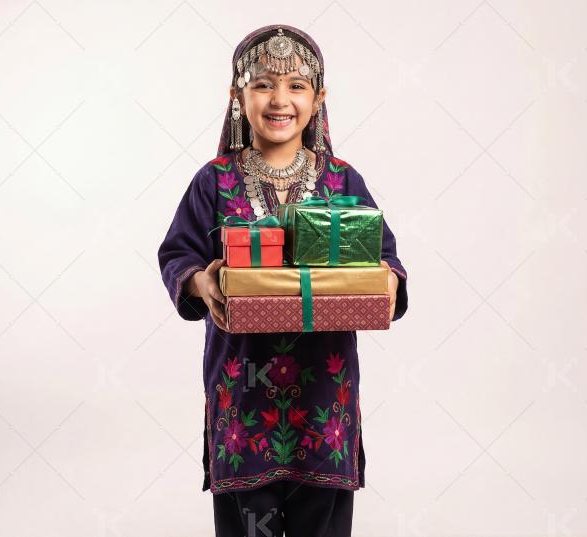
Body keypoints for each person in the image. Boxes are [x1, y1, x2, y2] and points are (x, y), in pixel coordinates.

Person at [158, 24, 408, 537]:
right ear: (237, 96)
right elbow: (178, 254)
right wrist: (202, 282)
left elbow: (385, 257)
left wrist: (388, 281)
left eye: (296, 86)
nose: (280, 100)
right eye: (263, 84)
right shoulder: (214, 180)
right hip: (242, 394)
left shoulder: (342, 180)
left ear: (318, 99)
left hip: (325, 399)